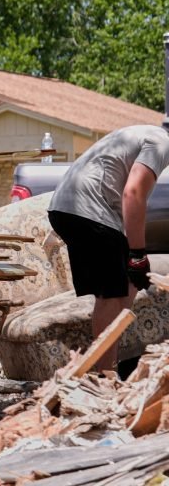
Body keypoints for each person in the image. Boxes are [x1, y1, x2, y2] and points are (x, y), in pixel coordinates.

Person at [48, 124, 169, 372]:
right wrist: (137, 254)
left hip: (69, 208)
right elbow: (132, 194)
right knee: (111, 295)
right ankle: (105, 376)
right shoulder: (161, 142)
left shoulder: (146, 134)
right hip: (89, 210)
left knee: (126, 286)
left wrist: (133, 257)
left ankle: (109, 364)